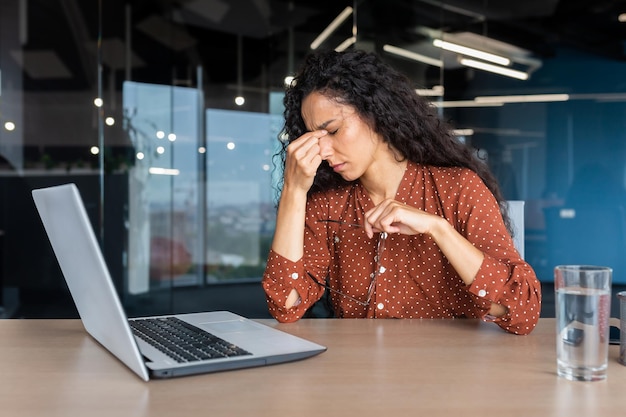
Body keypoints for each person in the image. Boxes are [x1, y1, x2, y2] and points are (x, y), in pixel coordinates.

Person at [262, 48, 541, 335]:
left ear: (375, 114)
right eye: (314, 138)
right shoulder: (327, 205)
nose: (322, 150)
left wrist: (439, 229)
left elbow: (522, 310)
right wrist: (293, 191)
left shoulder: (458, 188)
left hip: (452, 372)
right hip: (356, 374)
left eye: (332, 131)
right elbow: (286, 305)